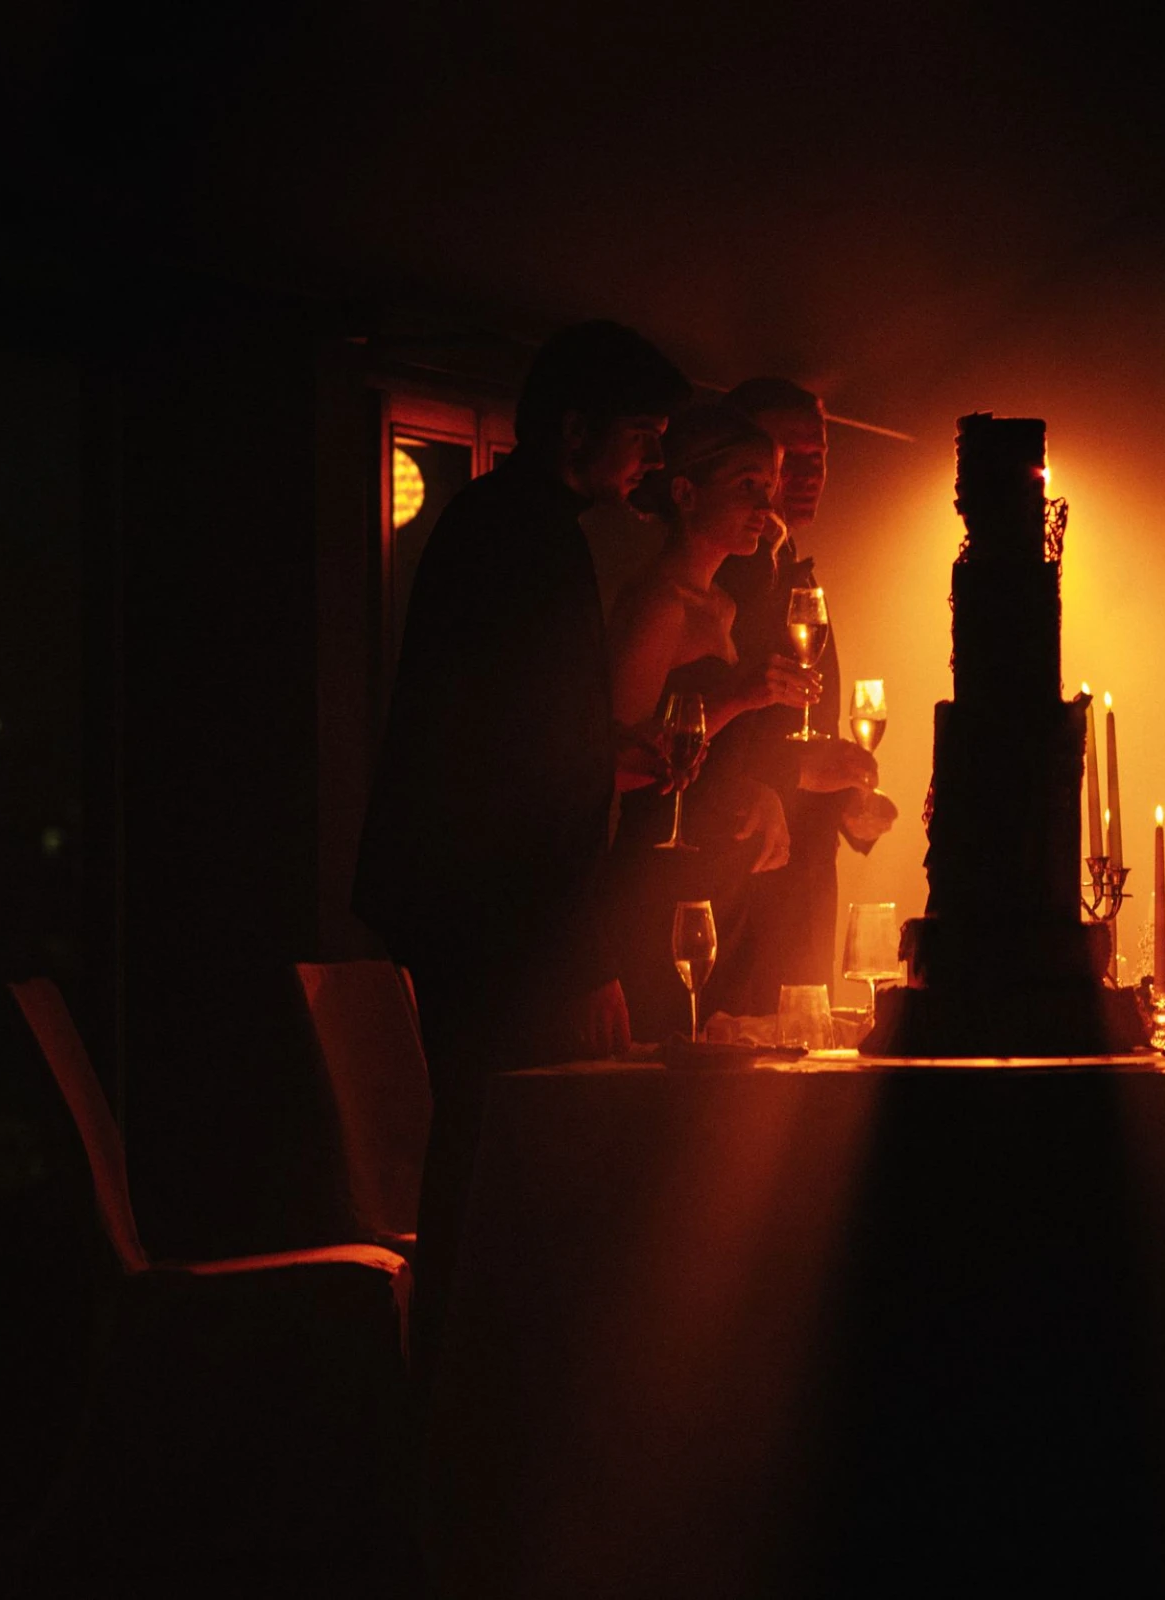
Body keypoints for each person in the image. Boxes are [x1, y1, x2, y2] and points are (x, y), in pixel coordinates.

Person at [352, 319, 688, 1376]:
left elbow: (505, 737)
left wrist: (601, 757)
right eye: (641, 434)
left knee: (487, 1157)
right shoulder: (529, 539)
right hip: (500, 927)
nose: (650, 459)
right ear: (577, 430)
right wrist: (580, 955)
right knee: (510, 1165)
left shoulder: (499, 523)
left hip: (473, 910)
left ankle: (461, 1394)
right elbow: (520, 772)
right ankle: (484, 1395)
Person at [601, 403, 825, 1037]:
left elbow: (704, 762)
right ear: (685, 493)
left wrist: (754, 789)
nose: (764, 506)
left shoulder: (722, 604)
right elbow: (618, 766)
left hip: (717, 880)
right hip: (658, 884)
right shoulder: (659, 604)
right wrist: (739, 698)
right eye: (747, 485)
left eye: (769, 488)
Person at [693, 379, 896, 1017]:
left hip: (799, 889)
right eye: (790, 457)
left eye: (820, 457)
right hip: (740, 893)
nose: (807, 475)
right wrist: (800, 770)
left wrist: (844, 802)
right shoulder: (719, 576)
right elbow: (689, 743)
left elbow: (799, 733)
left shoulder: (791, 570)